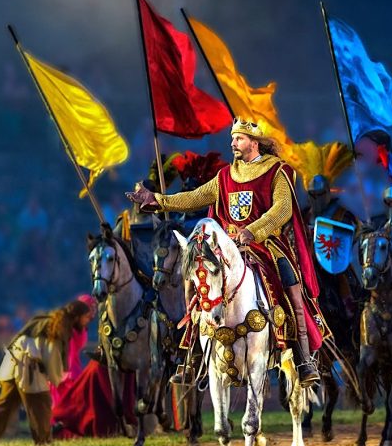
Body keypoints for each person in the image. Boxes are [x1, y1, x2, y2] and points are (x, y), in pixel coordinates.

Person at [126, 118, 329, 386]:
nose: (233, 143)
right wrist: (158, 200)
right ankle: (193, 357)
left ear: (254, 143)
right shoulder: (225, 176)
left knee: (291, 285)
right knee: (200, 284)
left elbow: (282, 209)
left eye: (239, 139)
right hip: (229, 246)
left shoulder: (278, 171)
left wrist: (252, 231)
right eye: (233, 139)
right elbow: (195, 197)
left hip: (267, 245)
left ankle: (304, 358)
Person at [0, 299, 92, 446]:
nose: (88, 321)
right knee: (40, 404)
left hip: (13, 362)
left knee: (5, 403)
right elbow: (52, 353)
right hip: (28, 366)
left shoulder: (46, 320)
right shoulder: (60, 327)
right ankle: (44, 442)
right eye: (86, 317)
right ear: (77, 317)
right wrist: (56, 378)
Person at [49, 294, 97, 409]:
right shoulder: (68, 330)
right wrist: (70, 375)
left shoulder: (81, 327)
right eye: (91, 308)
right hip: (65, 375)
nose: (94, 311)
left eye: (95, 307)